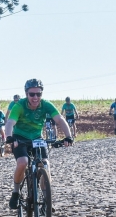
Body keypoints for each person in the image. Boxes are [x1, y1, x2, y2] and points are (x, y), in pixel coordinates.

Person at [5, 79, 73, 209]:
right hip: (20, 138)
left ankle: (46, 198)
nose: (35, 97)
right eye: (32, 94)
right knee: (23, 162)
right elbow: (10, 122)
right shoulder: (19, 106)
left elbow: (60, 119)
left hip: (37, 138)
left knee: (45, 165)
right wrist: (9, 137)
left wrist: (68, 136)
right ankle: (16, 192)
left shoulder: (46, 105)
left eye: (38, 94)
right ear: (26, 94)